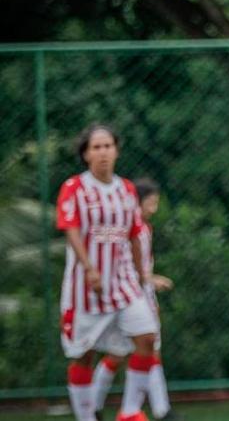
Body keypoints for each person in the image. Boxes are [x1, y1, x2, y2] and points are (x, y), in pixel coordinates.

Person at [57, 124, 160, 421]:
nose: (103, 152)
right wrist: (89, 268)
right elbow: (71, 229)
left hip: (123, 284)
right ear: (86, 154)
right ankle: (86, 417)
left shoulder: (126, 189)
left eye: (108, 146)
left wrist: (143, 276)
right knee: (84, 356)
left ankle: (129, 412)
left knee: (147, 338)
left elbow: (134, 233)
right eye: (96, 147)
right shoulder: (74, 187)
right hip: (85, 289)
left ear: (116, 150)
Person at [90, 179, 181, 420]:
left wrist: (148, 281)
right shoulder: (129, 229)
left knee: (126, 352)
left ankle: (151, 410)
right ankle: (148, 411)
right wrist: (148, 282)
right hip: (131, 296)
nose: (155, 208)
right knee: (140, 349)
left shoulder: (142, 228)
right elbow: (130, 268)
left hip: (133, 295)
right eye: (152, 202)